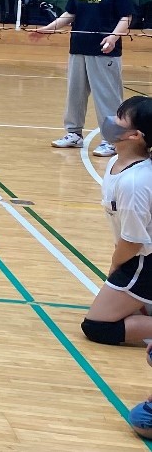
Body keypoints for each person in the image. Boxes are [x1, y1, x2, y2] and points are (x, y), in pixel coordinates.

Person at [32, 0, 136, 158]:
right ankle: (74, 134)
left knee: (107, 97)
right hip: (78, 48)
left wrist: (113, 37)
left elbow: (126, 17)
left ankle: (112, 140)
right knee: (75, 94)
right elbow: (70, 14)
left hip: (104, 51)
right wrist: (48, 29)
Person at [80, 96, 152, 346]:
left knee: (97, 327)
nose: (111, 120)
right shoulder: (115, 163)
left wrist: (115, 265)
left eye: (120, 118)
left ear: (135, 135)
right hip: (135, 257)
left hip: (144, 262)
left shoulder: (134, 182)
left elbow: (133, 242)